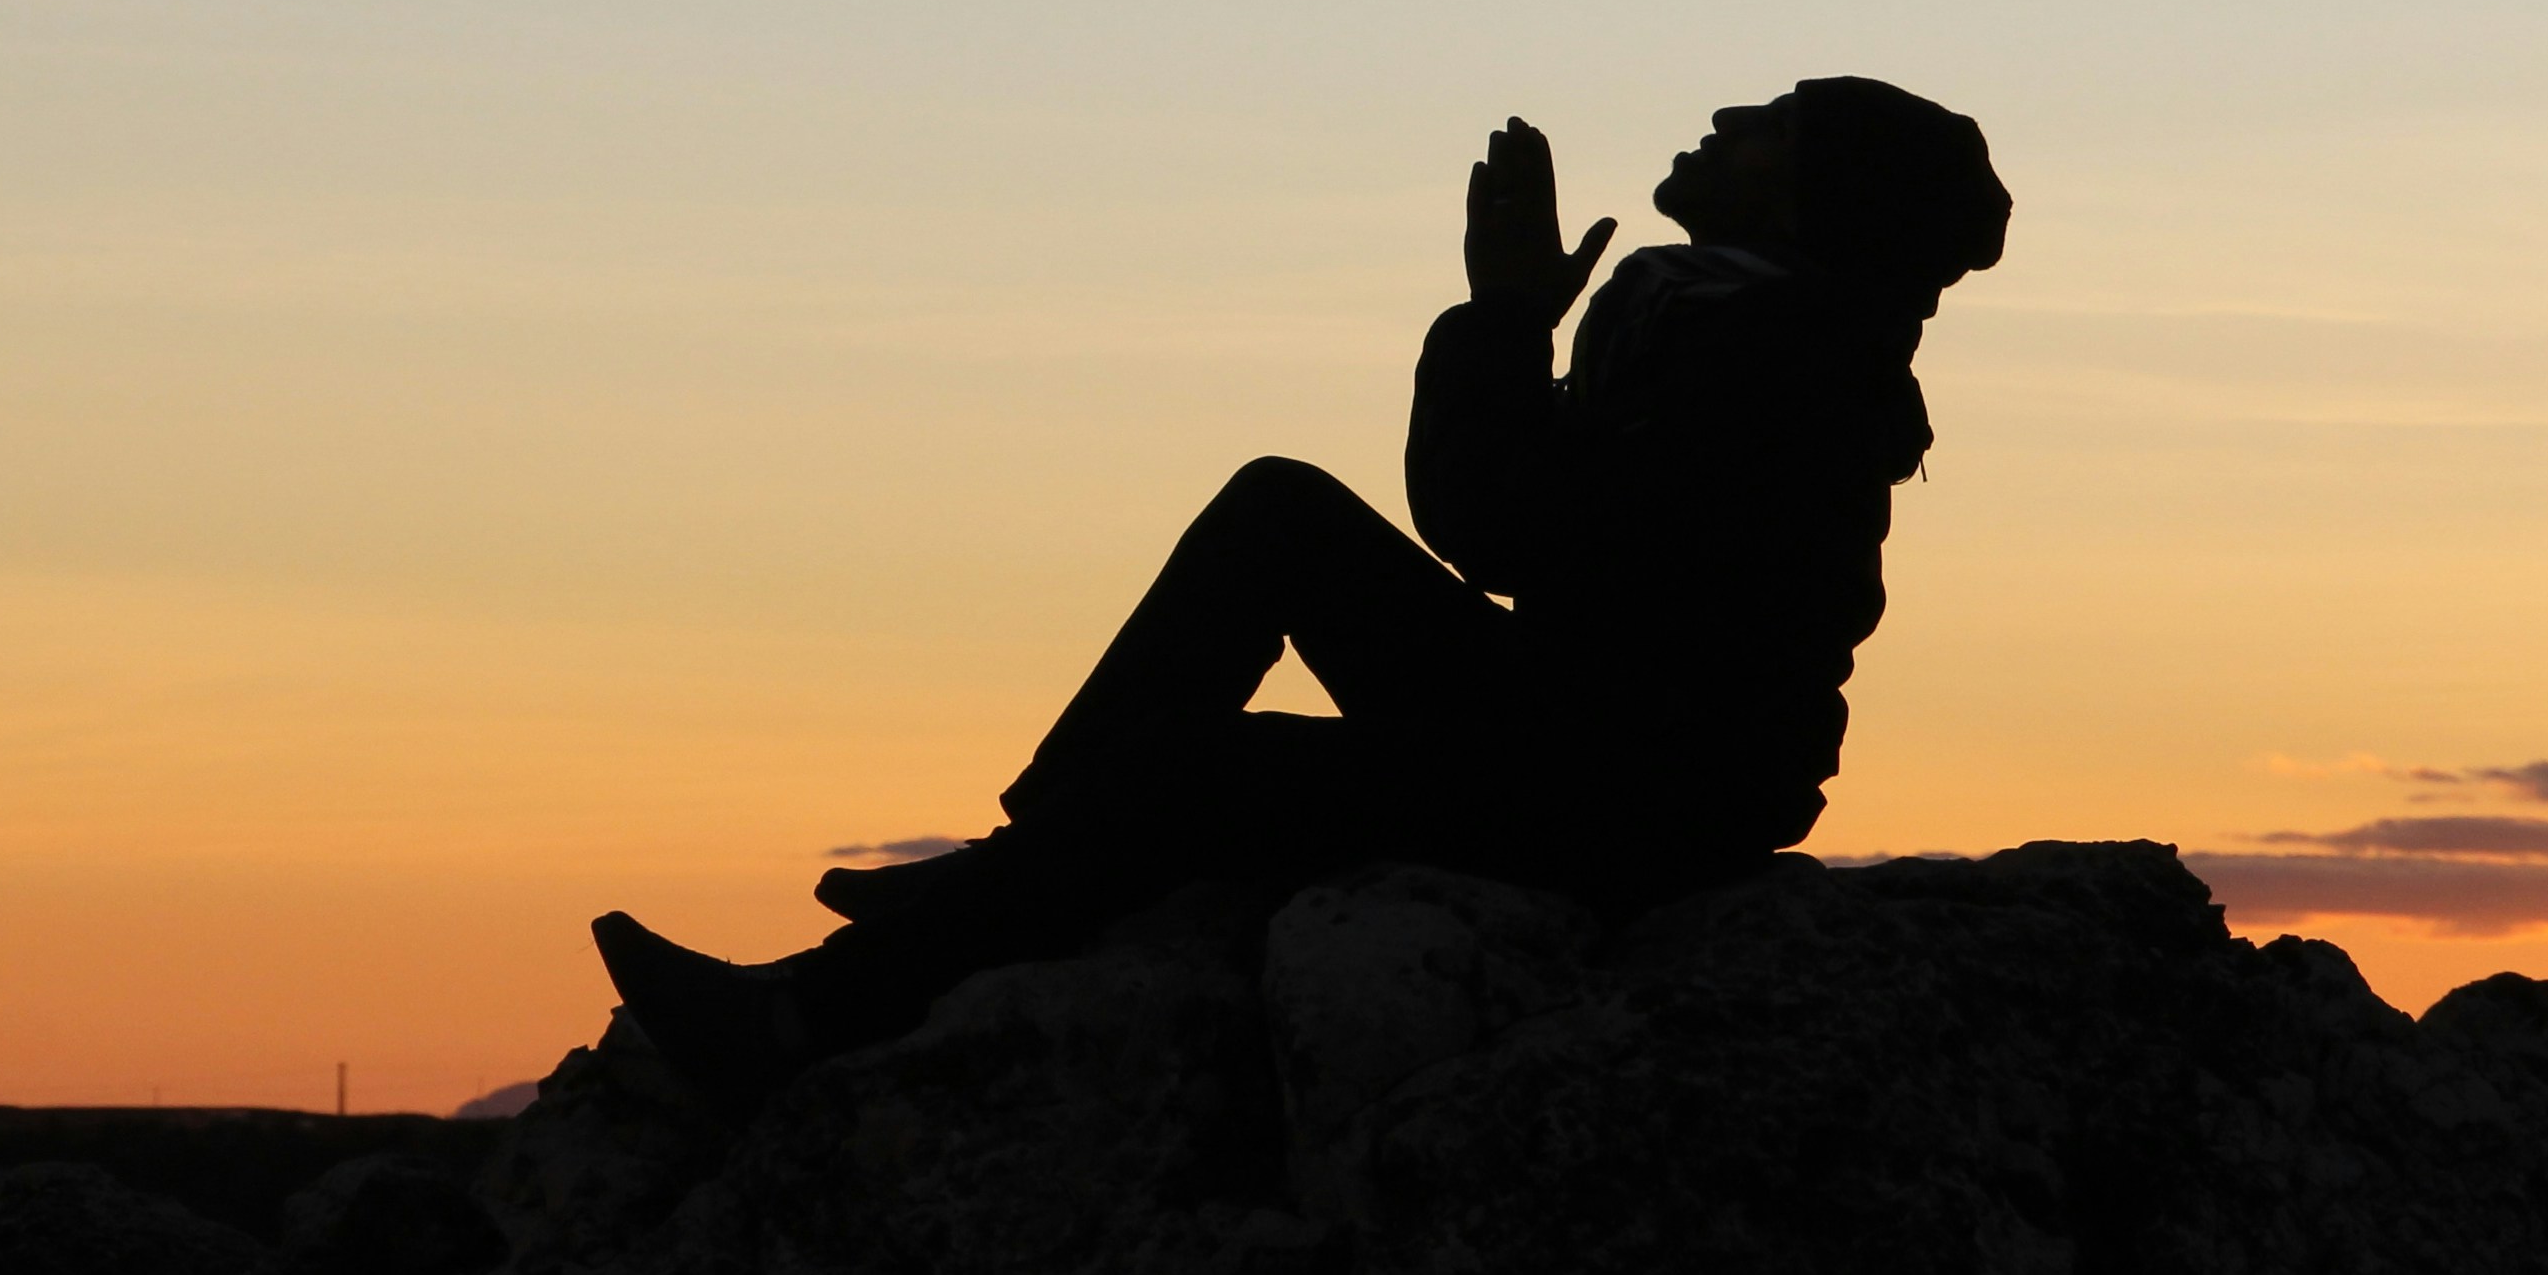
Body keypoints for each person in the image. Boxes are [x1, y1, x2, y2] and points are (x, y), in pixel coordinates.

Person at [592, 76, 2012, 1111]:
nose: (1725, 114)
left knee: (1199, 771)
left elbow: (1500, 532)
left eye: (1770, 120)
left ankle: (801, 1023)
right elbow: (1514, 537)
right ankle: (1006, 863)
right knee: (1278, 513)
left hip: (1627, 790)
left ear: (1812, 193)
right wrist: (1512, 326)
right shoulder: (1717, 323)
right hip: (1571, 725)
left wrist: (1508, 319)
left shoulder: (1783, 365)